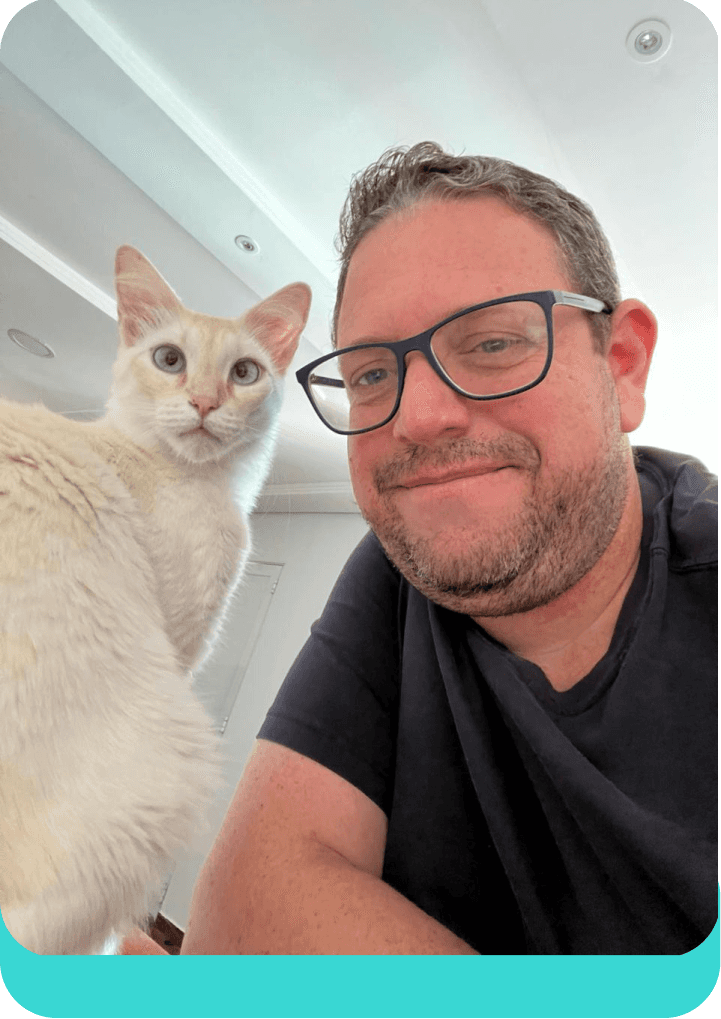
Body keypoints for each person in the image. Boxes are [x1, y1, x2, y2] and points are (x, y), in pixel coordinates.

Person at [123, 142, 717, 956]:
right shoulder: (403, 568)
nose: (418, 419)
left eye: (493, 343)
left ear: (621, 366)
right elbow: (239, 925)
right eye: (371, 375)